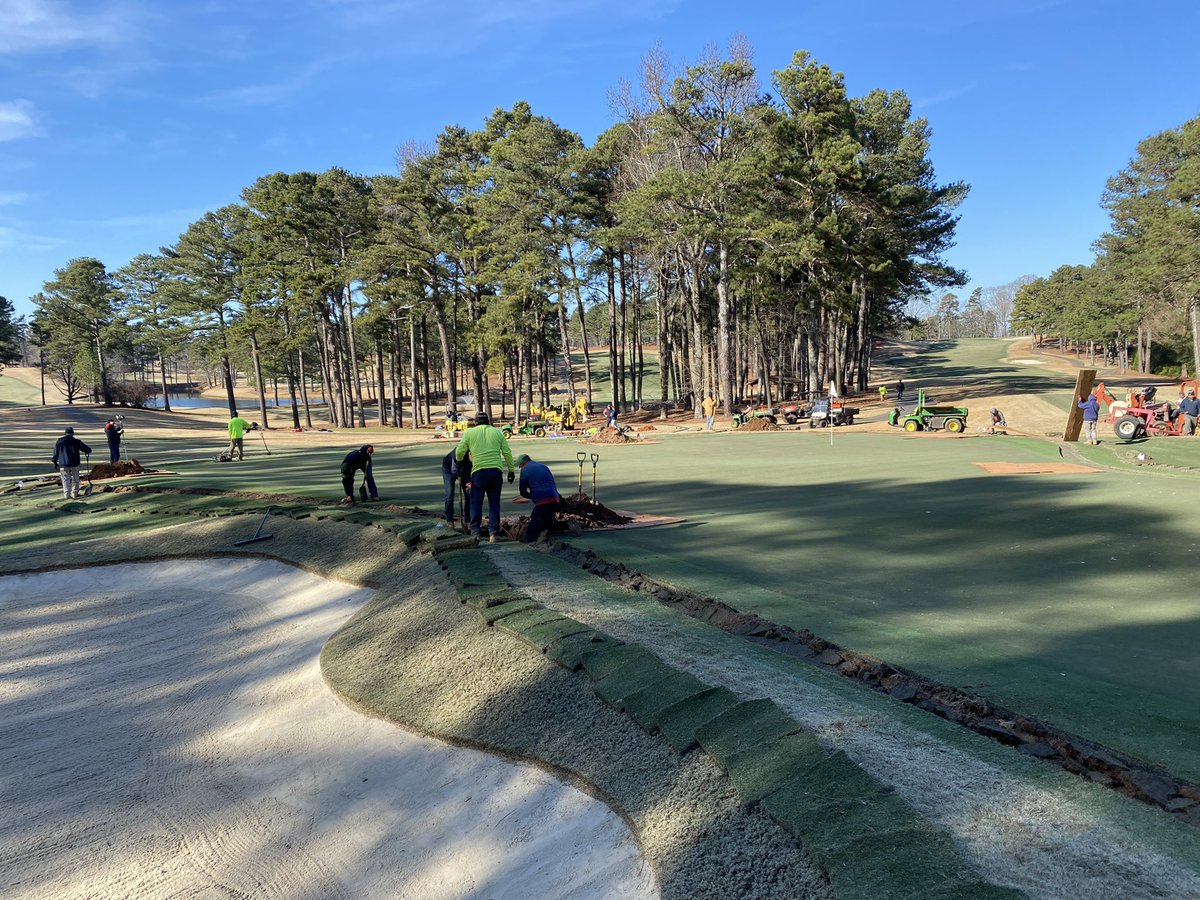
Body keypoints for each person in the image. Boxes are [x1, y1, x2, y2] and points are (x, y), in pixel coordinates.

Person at [454, 411, 515, 543]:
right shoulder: (498, 432)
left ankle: (475, 534)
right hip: (495, 471)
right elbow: (507, 452)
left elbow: (459, 452)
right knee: (494, 504)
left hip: (479, 472)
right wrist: (511, 470)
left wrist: (459, 461)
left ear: (475, 422)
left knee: (476, 504)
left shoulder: (469, 433)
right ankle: (493, 534)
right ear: (488, 421)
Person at [517, 453, 560, 543]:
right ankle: (548, 541)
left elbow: (522, 491)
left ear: (522, 464)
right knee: (546, 523)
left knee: (533, 527)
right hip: (554, 498)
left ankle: (530, 544)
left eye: (520, 467)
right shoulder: (543, 466)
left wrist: (531, 496)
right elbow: (552, 483)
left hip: (543, 501)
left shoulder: (524, 470)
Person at [51, 426, 92, 500]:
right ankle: (75, 493)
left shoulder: (59, 441)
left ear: (65, 433)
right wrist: (88, 451)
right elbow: (87, 449)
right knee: (76, 479)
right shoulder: (76, 441)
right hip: (74, 463)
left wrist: (54, 462)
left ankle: (67, 494)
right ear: (73, 433)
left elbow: (55, 453)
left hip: (63, 463)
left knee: (65, 479)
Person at [442, 448, 472, 528]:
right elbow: (454, 471)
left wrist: (470, 481)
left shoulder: (476, 456)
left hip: (465, 471)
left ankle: (468, 520)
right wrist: (462, 480)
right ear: (469, 453)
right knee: (449, 494)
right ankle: (449, 521)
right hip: (449, 469)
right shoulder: (459, 454)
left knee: (469, 494)